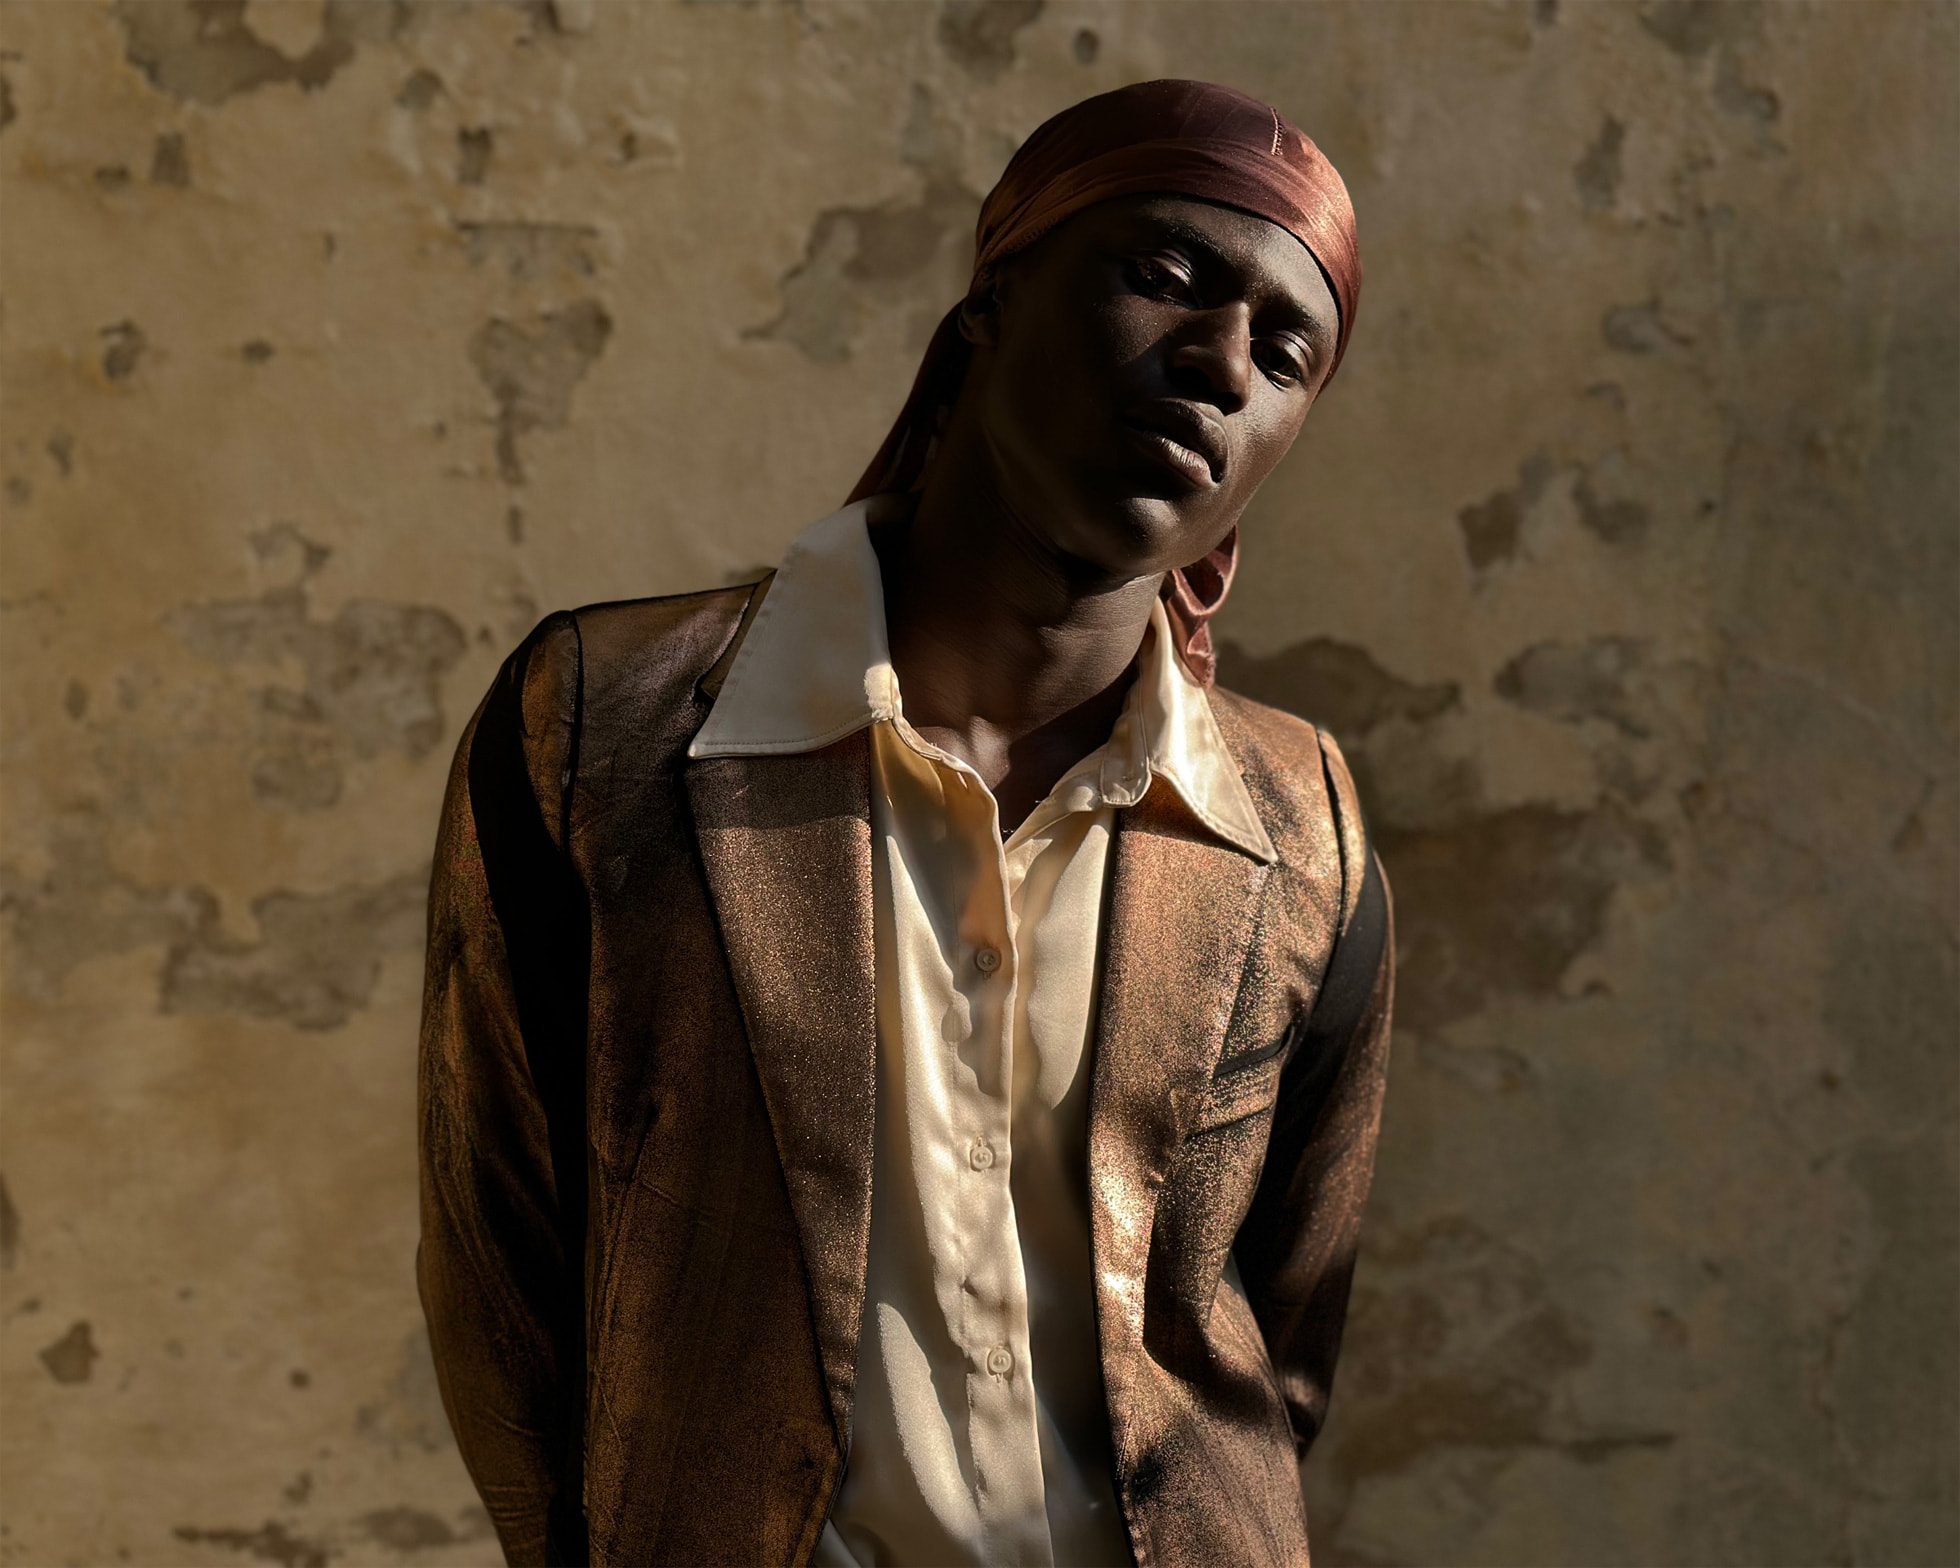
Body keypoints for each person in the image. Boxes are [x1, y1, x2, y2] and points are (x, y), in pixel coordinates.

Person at [417, 79, 1393, 1568]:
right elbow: (504, 1277)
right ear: (993, 300)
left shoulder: (1296, 833)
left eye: (1285, 350)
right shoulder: (607, 733)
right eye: (1162, 277)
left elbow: (1277, 1338)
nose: (1217, 366)